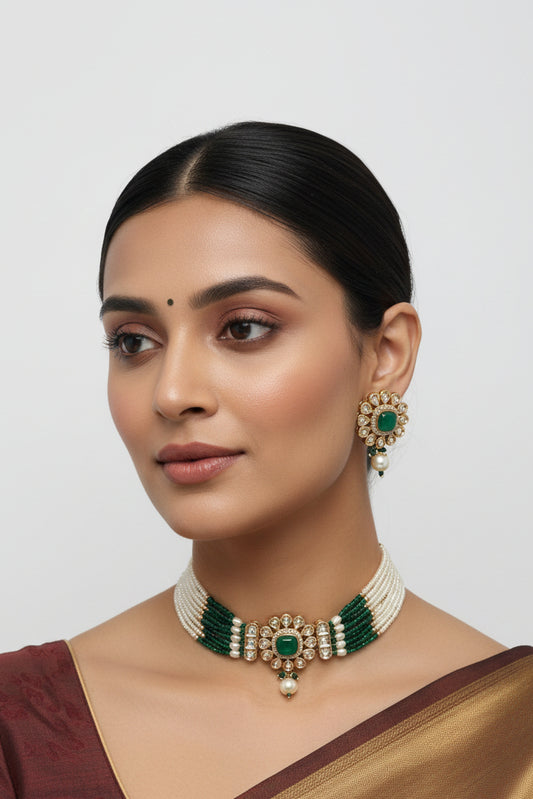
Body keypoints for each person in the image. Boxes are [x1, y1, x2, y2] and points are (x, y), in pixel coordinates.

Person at [0, 121, 531, 798]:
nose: (172, 392)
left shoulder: (515, 735)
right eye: (133, 341)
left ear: (386, 354)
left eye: (243, 328)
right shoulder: (22, 728)